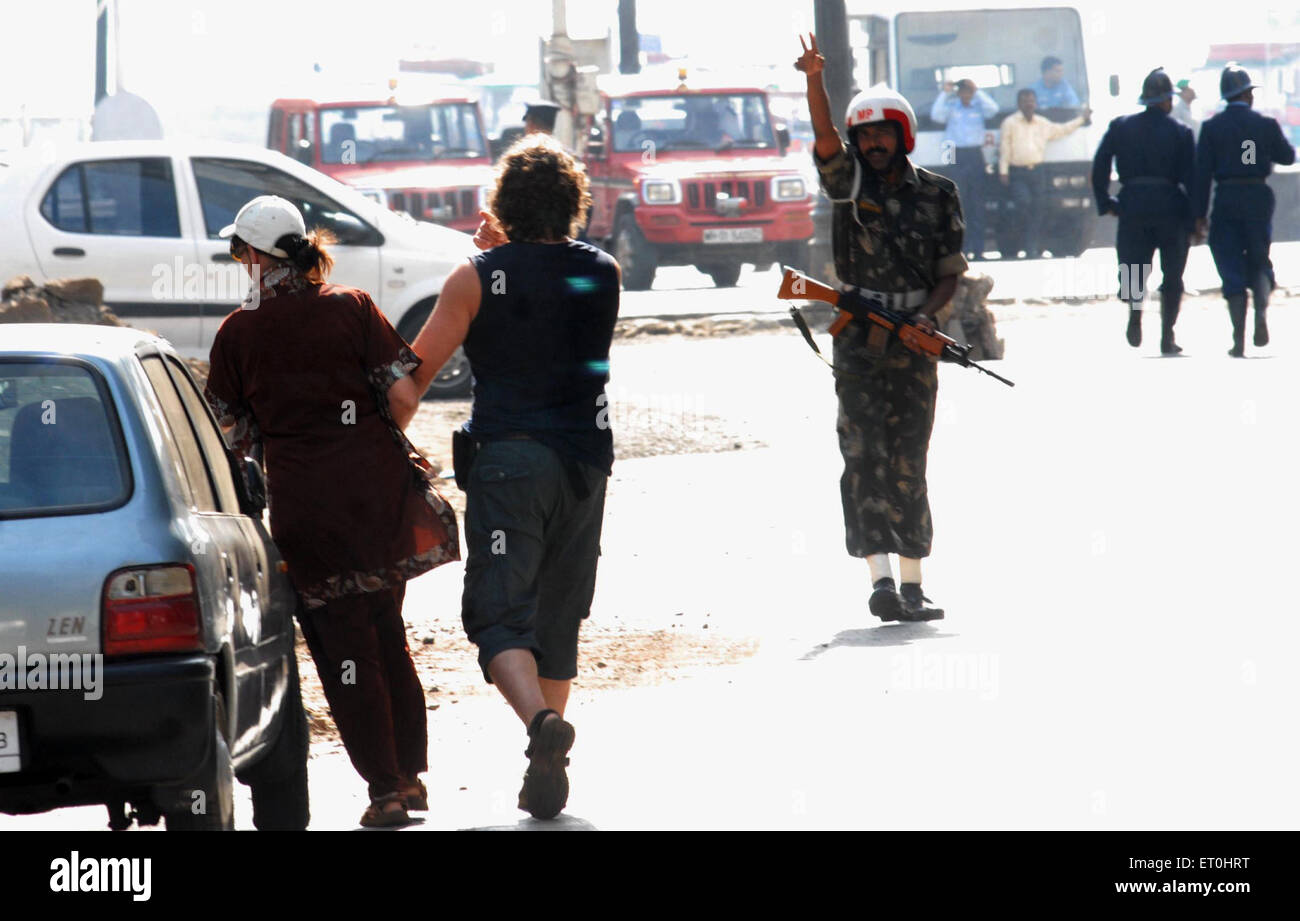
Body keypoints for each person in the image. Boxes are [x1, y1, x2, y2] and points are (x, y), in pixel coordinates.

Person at [205, 195, 460, 828]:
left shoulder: (238, 333)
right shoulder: (353, 308)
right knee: (386, 632)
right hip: (379, 499)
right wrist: (368, 443)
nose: (238, 263)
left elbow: (230, 436)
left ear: (259, 257)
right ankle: (409, 774)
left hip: (309, 512)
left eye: (240, 251)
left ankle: (387, 789)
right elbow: (403, 393)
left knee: (346, 647)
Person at [403, 134, 619, 820]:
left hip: (509, 462)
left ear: (499, 203)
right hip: (585, 463)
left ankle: (539, 727)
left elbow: (411, 381)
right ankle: (543, 761)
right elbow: (547, 287)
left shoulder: (474, 276)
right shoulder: (603, 271)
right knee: (559, 614)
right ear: (573, 203)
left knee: (499, 615)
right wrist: (506, 251)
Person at [797, 33, 965, 622]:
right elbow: (823, 139)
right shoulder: (848, 185)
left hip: (914, 340)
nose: (872, 143)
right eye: (863, 134)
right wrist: (814, 80)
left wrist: (929, 317)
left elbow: (950, 274)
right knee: (861, 453)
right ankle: (881, 580)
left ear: (903, 135)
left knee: (909, 457)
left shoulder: (940, 195)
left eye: (881, 133)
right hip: (858, 339)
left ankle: (916, 585)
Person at [1193, 63, 1296, 356]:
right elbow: (1287, 157)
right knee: (1258, 255)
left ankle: (1238, 338)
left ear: (1226, 96)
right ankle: (1261, 312)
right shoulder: (1263, 125)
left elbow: (1202, 174)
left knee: (1228, 258)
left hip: (1227, 197)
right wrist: (1253, 151)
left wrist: (1198, 215)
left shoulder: (1212, 128)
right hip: (1257, 197)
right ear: (1249, 95)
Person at [1091, 68, 1196, 354]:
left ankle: (1135, 315)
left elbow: (1099, 167)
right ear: (1166, 101)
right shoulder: (1181, 131)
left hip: (1132, 206)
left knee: (1133, 268)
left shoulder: (1120, 126)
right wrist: (1197, 216)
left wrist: (1106, 203)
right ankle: (1167, 336)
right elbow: (1193, 178)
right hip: (1171, 207)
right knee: (1172, 275)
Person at [999, 88, 1090, 257]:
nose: (1029, 103)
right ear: (1019, 104)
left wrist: (1082, 119)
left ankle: (1031, 248)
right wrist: (1003, 171)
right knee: (1023, 203)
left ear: (1036, 103)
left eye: (1032, 100)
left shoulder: (1042, 123)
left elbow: (1062, 129)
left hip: (1037, 172)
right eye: (1025, 100)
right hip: (1017, 172)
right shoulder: (1009, 123)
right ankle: (1023, 239)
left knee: (1038, 209)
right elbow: (1004, 148)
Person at [930, 78, 999, 259]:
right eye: (963, 90)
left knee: (977, 202)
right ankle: (963, 248)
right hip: (955, 153)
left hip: (975, 154)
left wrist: (978, 91)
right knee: (960, 202)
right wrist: (945, 93)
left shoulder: (979, 106)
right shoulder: (951, 107)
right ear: (958, 92)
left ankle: (978, 248)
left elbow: (994, 110)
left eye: (969, 90)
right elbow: (936, 115)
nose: (966, 94)